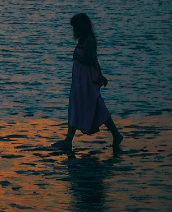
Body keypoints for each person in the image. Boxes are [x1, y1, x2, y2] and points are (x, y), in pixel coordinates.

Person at [53, 13, 124, 151]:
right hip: (80, 81)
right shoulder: (82, 40)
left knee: (94, 106)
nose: (73, 31)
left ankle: (115, 134)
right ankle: (69, 139)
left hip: (87, 81)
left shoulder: (89, 41)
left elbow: (92, 60)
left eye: (75, 27)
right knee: (79, 105)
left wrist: (79, 59)